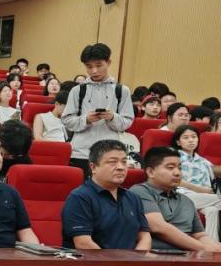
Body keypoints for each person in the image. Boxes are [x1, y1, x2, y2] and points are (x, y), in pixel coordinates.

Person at [61, 139, 151, 250]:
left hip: (131, 260)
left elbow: (144, 236)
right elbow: (83, 243)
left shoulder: (133, 198)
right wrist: (115, 262)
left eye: (124, 162)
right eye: (113, 162)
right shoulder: (80, 197)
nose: (121, 167)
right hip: (92, 260)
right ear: (93, 167)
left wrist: (138, 259)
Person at [62, 43, 134, 173]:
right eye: (89, 67)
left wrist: (112, 117)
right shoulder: (77, 90)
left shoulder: (122, 90)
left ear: (108, 62)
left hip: (110, 153)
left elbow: (127, 122)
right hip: (81, 152)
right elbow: (67, 120)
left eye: (99, 65)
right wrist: (86, 119)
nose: (94, 71)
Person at [131, 147, 221, 252]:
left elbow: (200, 235)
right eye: (170, 167)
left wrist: (215, 248)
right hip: (154, 256)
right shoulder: (139, 192)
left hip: (188, 257)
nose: (177, 173)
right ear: (150, 172)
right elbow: (159, 228)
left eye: (180, 168)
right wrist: (204, 248)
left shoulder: (186, 201)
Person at [173, 125, 221, 239]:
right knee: (218, 199)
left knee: (212, 211)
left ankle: (211, 245)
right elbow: (174, 180)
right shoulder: (174, 157)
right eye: (186, 137)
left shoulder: (203, 161)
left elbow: (215, 173)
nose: (191, 140)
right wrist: (200, 189)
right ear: (178, 142)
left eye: (194, 137)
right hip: (182, 195)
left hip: (205, 198)